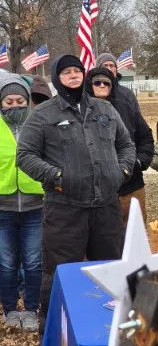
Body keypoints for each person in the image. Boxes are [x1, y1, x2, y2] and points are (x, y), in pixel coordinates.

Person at [16, 55, 136, 329]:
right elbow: (25, 155)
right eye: (67, 72)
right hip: (65, 209)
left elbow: (126, 145)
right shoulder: (43, 115)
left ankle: (108, 327)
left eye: (77, 71)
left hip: (106, 208)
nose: (73, 76)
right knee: (59, 274)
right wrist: (56, 176)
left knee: (110, 270)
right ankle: (54, 329)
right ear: (58, 77)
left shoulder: (103, 109)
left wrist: (122, 172)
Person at [84, 67, 154, 224]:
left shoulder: (126, 107)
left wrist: (138, 162)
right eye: (97, 82)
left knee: (135, 239)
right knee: (104, 243)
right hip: (97, 193)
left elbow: (146, 137)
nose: (102, 85)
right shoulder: (80, 112)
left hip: (131, 187)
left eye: (106, 83)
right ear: (89, 85)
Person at [0, 73, 42, 332]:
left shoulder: (37, 125)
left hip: (35, 206)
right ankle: (10, 310)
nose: (15, 105)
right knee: (5, 263)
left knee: (34, 261)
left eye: (19, 100)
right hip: (2, 208)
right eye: (8, 101)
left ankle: (31, 309)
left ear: (27, 101)